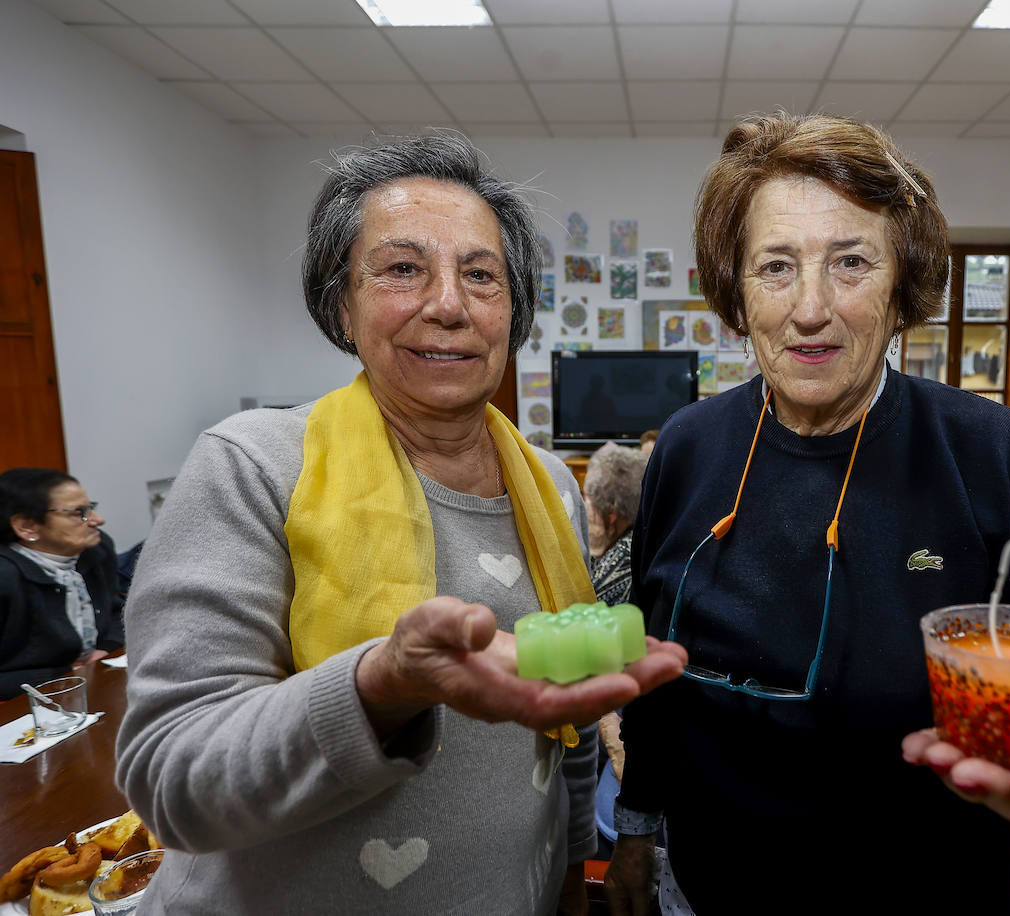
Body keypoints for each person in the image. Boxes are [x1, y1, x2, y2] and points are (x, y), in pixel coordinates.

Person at [603, 112, 1010, 915]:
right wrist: (634, 834)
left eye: (851, 262)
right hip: (707, 890)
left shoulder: (1002, 459)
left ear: (903, 286)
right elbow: (654, 677)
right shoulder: (687, 448)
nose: (810, 308)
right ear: (737, 292)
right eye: (775, 266)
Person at [114, 134, 684, 915]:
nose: (448, 304)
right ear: (341, 303)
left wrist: (567, 871)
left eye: (481, 275)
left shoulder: (549, 481)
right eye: (403, 269)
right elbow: (170, 781)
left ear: (511, 311)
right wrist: (379, 686)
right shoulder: (254, 467)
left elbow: (563, 716)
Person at [0, 468, 123, 699]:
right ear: (26, 527)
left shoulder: (96, 550)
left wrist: (107, 647)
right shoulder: (5, 576)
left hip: (91, 687)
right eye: (80, 513)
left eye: (91, 508)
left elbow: (117, 611)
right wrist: (63, 674)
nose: (98, 520)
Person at [584, 442, 648, 606]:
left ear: (611, 514)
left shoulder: (623, 560)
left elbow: (586, 610)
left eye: (588, 500)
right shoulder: (646, 530)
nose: (585, 508)